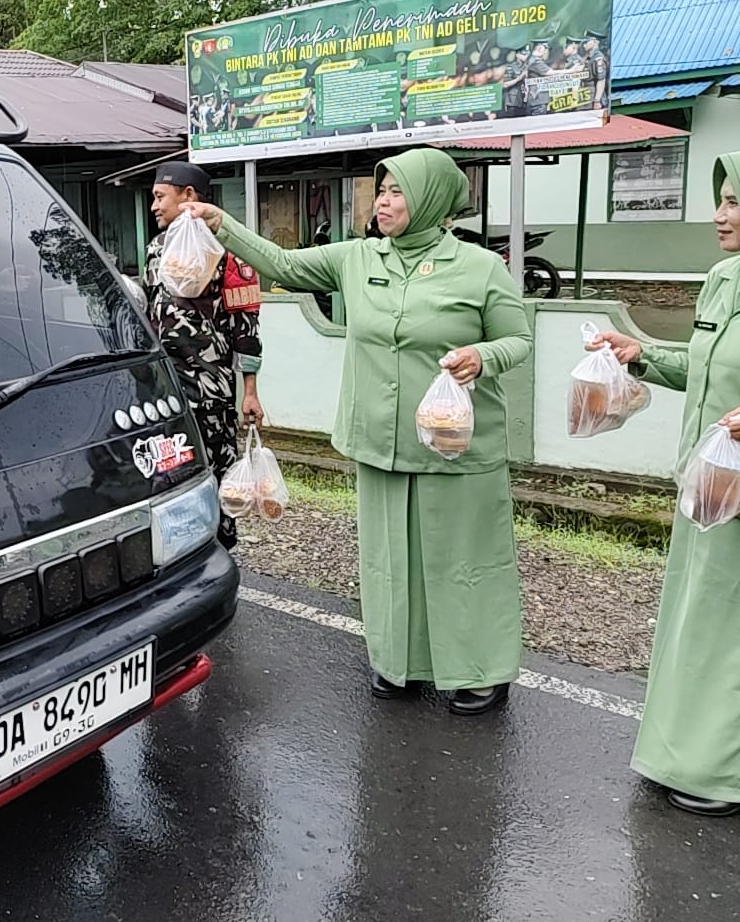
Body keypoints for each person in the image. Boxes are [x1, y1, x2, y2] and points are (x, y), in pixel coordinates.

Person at [180, 149, 533, 714]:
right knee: (389, 561)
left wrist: (482, 356)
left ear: (432, 201)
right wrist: (224, 224)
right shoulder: (358, 257)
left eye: (397, 192)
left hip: (453, 445)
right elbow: (283, 264)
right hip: (380, 439)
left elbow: (519, 340)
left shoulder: (480, 267)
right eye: (381, 191)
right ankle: (399, 662)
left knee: (462, 559)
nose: (382, 202)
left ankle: (477, 669)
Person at [587, 153, 740, 815]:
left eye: (735, 202)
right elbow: (704, 368)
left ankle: (721, 771)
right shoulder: (723, 279)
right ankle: (686, 753)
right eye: (721, 199)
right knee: (698, 622)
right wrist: (641, 355)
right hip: (711, 486)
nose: (720, 215)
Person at [144, 161, 263, 549]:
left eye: (160, 197)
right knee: (171, 470)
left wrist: (250, 391)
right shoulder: (156, 248)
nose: (154, 206)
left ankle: (220, 548)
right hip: (166, 388)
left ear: (188, 196)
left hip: (209, 388)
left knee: (217, 468)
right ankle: (179, 549)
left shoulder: (227, 250)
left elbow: (246, 326)